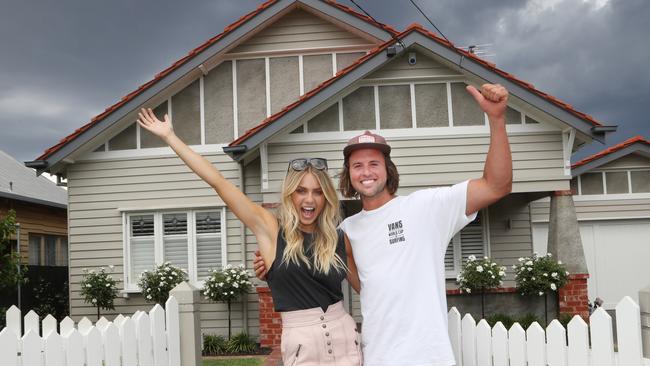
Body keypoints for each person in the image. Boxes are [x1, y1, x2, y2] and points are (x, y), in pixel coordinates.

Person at [255, 83, 512, 365]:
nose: (366, 172)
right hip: (377, 356)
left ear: (387, 169)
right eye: (357, 165)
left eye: (373, 163)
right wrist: (273, 266)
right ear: (348, 175)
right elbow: (325, 275)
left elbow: (496, 186)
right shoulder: (345, 233)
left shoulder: (426, 208)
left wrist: (497, 120)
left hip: (429, 357)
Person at [137, 108, 362, 365]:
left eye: (317, 192)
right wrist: (170, 137)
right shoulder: (270, 228)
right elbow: (219, 182)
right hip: (302, 342)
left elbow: (368, 289)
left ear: (326, 198)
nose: (309, 199)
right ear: (290, 195)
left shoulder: (338, 238)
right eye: (301, 191)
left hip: (344, 335)